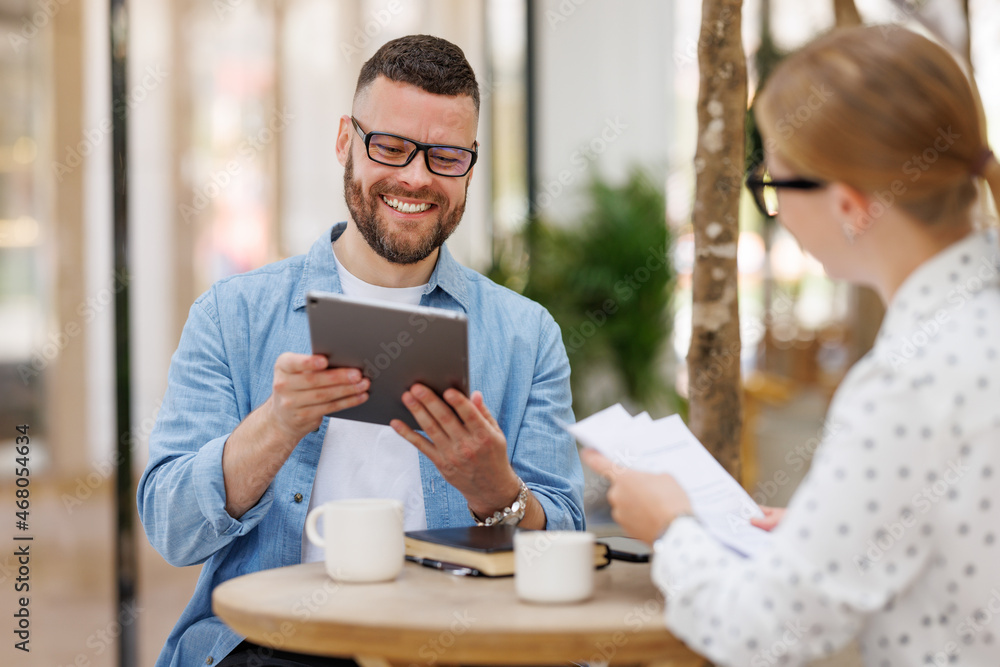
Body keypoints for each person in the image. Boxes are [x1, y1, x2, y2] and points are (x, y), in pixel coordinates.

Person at [138, 35, 584, 667]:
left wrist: (498, 492)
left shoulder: (526, 335)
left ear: (472, 164)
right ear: (346, 141)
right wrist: (276, 424)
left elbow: (568, 546)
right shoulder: (233, 314)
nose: (416, 178)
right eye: (392, 148)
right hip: (268, 649)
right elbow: (172, 529)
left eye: (446, 156)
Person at [583, 25, 1000, 667]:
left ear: (850, 205)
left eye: (775, 187)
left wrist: (673, 527)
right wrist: (825, 533)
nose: (773, 210)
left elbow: (766, 634)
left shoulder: (909, 383)